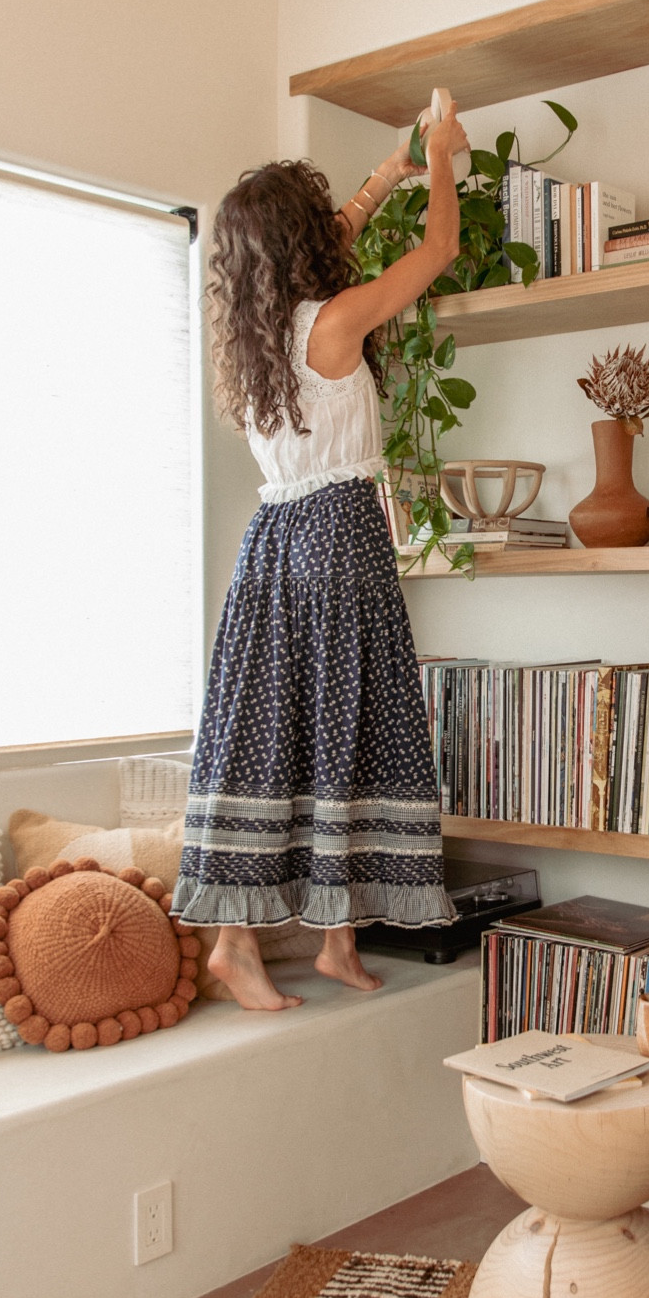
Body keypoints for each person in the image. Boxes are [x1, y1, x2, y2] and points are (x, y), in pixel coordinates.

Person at [170, 108, 470, 1009]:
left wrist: (394, 166)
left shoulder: (259, 336)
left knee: (281, 728)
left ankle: (330, 937)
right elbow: (440, 253)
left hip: (272, 547)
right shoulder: (335, 322)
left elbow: (341, 225)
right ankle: (242, 945)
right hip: (339, 536)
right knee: (347, 717)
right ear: (303, 244)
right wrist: (444, 167)